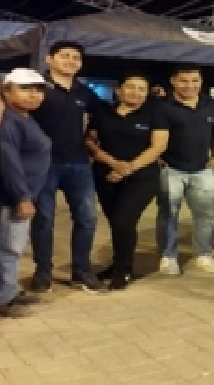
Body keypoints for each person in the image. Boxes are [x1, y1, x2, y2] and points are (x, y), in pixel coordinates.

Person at [29, 41, 106, 293]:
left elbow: (104, 113)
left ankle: (81, 271)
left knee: (87, 218)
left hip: (78, 162)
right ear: (49, 59)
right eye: (65, 56)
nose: (71, 61)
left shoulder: (83, 92)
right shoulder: (37, 87)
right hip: (43, 164)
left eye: (76, 58)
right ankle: (43, 272)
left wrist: (92, 134)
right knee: (43, 219)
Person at [87, 73, 169, 290]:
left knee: (124, 220)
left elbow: (158, 147)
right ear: (118, 90)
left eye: (142, 89)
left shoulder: (155, 114)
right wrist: (113, 163)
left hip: (142, 177)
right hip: (106, 176)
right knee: (116, 223)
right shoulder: (104, 113)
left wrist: (128, 169)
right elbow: (90, 142)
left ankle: (123, 270)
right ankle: (117, 264)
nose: (136, 92)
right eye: (131, 87)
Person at [0, 69, 51, 317]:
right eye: (25, 89)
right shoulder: (6, 121)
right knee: (6, 248)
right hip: (7, 198)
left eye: (38, 90)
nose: (33, 95)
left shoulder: (24, 117)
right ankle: (1, 299)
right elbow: (8, 162)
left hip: (18, 195)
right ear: (7, 92)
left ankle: (7, 290)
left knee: (11, 247)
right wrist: (21, 197)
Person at [154, 66, 214, 275]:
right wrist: (156, 157)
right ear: (173, 81)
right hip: (170, 168)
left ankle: (203, 255)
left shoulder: (211, 105)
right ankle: (168, 257)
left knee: (205, 215)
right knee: (168, 214)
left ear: (201, 82)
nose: (190, 85)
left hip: (202, 170)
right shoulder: (161, 106)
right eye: (184, 81)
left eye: (195, 81)